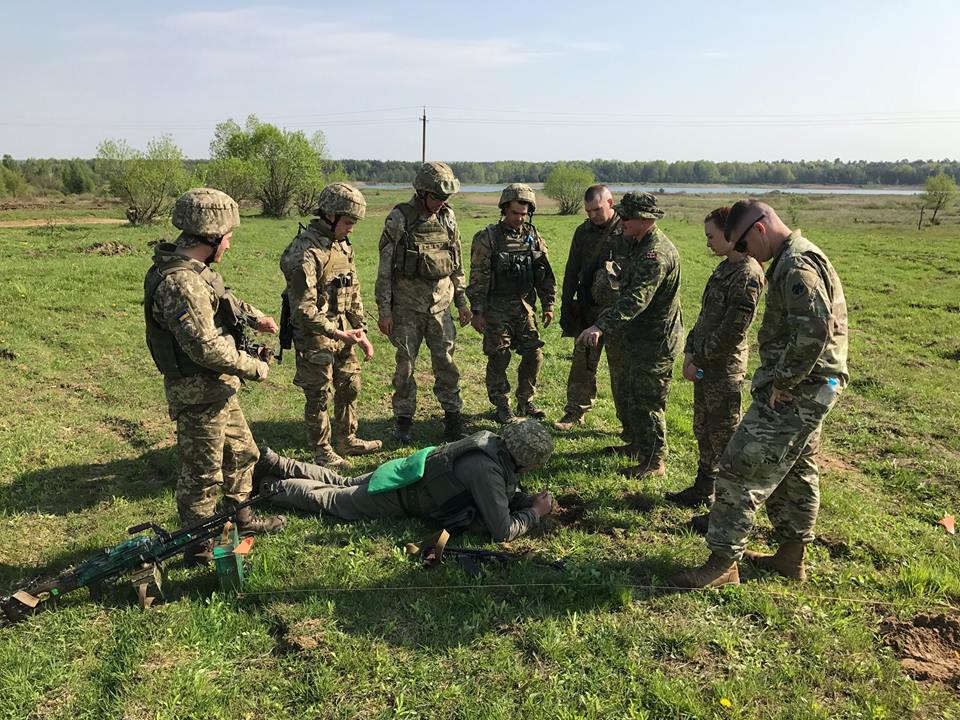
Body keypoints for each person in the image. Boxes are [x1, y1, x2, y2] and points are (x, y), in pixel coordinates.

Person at [668, 199, 849, 588]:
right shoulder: (796, 257)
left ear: (761, 229)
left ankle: (722, 564)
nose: (748, 255)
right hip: (815, 386)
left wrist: (782, 382)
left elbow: (814, 332)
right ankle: (790, 557)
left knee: (738, 464)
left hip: (797, 390)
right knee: (796, 470)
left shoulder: (797, 265)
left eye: (747, 246)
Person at [144, 188, 286, 565]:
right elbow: (204, 348)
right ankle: (198, 546)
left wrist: (256, 317)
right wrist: (254, 366)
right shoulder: (180, 284)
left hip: (218, 387)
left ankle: (243, 519)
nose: (230, 244)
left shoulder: (195, 271)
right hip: (197, 392)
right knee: (202, 475)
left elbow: (223, 298)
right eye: (227, 237)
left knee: (243, 453)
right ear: (210, 237)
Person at [257, 419, 556, 542]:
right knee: (337, 500)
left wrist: (524, 500)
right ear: (525, 459)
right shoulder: (487, 471)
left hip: (404, 469)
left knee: (343, 480)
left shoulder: (492, 441)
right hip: (400, 492)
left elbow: (500, 491)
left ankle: (276, 463)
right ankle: (273, 488)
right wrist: (534, 513)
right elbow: (502, 530)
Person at [666, 207, 764, 518]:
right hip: (705, 363)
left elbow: (732, 331)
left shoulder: (748, 275)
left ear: (731, 234)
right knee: (703, 429)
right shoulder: (724, 270)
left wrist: (700, 358)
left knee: (724, 437)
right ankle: (703, 487)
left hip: (724, 369)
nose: (708, 242)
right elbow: (706, 317)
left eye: (711, 236)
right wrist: (690, 352)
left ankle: (724, 509)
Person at [577, 192, 683, 479]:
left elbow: (637, 298)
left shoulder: (655, 254)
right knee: (633, 395)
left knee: (648, 400)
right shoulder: (637, 243)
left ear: (644, 219)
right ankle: (638, 446)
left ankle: (654, 461)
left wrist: (601, 325)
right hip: (639, 337)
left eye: (626, 217)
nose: (620, 220)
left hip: (656, 341)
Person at [279, 182, 379, 471]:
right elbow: (302, 310)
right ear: (330, 216)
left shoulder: (342, 244)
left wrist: (360, 331)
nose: (352, 229)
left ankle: (347, 438)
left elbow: (353, 289)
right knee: (319, 393)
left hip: (343, 329)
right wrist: (337, 332)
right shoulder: (305, 252)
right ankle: (322, 450)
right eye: (348, 222)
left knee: (350, 385)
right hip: (315, 336)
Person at [375, 161, 472, 444]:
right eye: (437, 198)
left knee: (447, 365)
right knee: (405, 366)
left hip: (441, 306)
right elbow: (384, 269)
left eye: (446, 199)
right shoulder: (399, 219)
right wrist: (384, 310)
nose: (441, 203)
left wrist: (462, 301)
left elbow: (457, 262)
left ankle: (453, 420)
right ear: (421, 192)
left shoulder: (447, 218)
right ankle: (403, 422)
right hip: (406, 309)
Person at [468, 184, 556, 424]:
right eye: (515, 213)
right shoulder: (487, 238)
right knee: (499, 356)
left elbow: (544, 273)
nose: (519, 218)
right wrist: (477, 311)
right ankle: (501, 404)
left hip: (524, 307)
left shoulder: (533, 237)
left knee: (534, 354)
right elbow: (477, 277)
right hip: (496, 307)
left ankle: (525, 400)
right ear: (504, 209)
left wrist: (548, 303)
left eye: (524, 213)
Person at [555, 184, 623, 431]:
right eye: (588, 211)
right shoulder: (582, 232)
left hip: (618, 313)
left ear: (610, 203)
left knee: (621, 369)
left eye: (597, 209)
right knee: (582, 364)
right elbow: (571, 270)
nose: (593, 215)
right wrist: (565, 306)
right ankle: (574, 412)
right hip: (588, 308)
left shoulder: (626, 229)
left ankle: (628, 421)